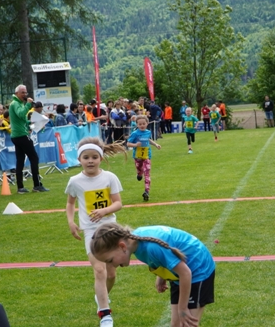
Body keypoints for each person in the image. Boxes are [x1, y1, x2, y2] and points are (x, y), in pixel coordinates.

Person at [90, 222, 215, 327]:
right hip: (181, 274)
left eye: (110, 260)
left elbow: (186, 273)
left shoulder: (151, 247)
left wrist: (182, 308)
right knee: (176, 324)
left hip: (198, 270)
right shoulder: (136, 244)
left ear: (122, 246)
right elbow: (164, 259)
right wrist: (161, 277)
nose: (112, 265)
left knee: (187, 323)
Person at [65, 137, 126, 327]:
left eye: (94, 157)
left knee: (111, 275)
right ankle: (105, 314)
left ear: (101, 158)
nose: (90, 161)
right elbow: (70, 203)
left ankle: (101, 297)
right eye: (86, 158)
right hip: (91, 231)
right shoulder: (75, 181)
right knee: (99, 270)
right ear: (79, 160)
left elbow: (118, 203)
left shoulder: (109, 177)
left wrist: (104, 211)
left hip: (110, 229)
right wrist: (71, 222)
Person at [9, 84, 49, 194]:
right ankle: (37, 185)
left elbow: (21, 120)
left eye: (25, 92)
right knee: (34, 158)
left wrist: (35, 123)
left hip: (16, 135)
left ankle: (20, 187)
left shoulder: (17, 103)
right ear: (17, 93)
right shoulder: (16, 103)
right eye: (22, 92)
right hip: (21, 135)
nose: (25, 94)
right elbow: (21, 114)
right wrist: (28, 104)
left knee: (20, 160)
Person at [127, 115, 161, 202]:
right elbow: (128, 143)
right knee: (139, 169)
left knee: (147, 172)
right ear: (137, 124)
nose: (142, 125)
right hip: (137, 156)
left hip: (147, 155)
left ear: (147, 123)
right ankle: (139, 174)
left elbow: (148, 140)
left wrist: (155, 144)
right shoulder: (135, 133)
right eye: (140, 124)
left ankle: (146, 191)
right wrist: (135, 145)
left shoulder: (148, 132)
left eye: (143, 123)